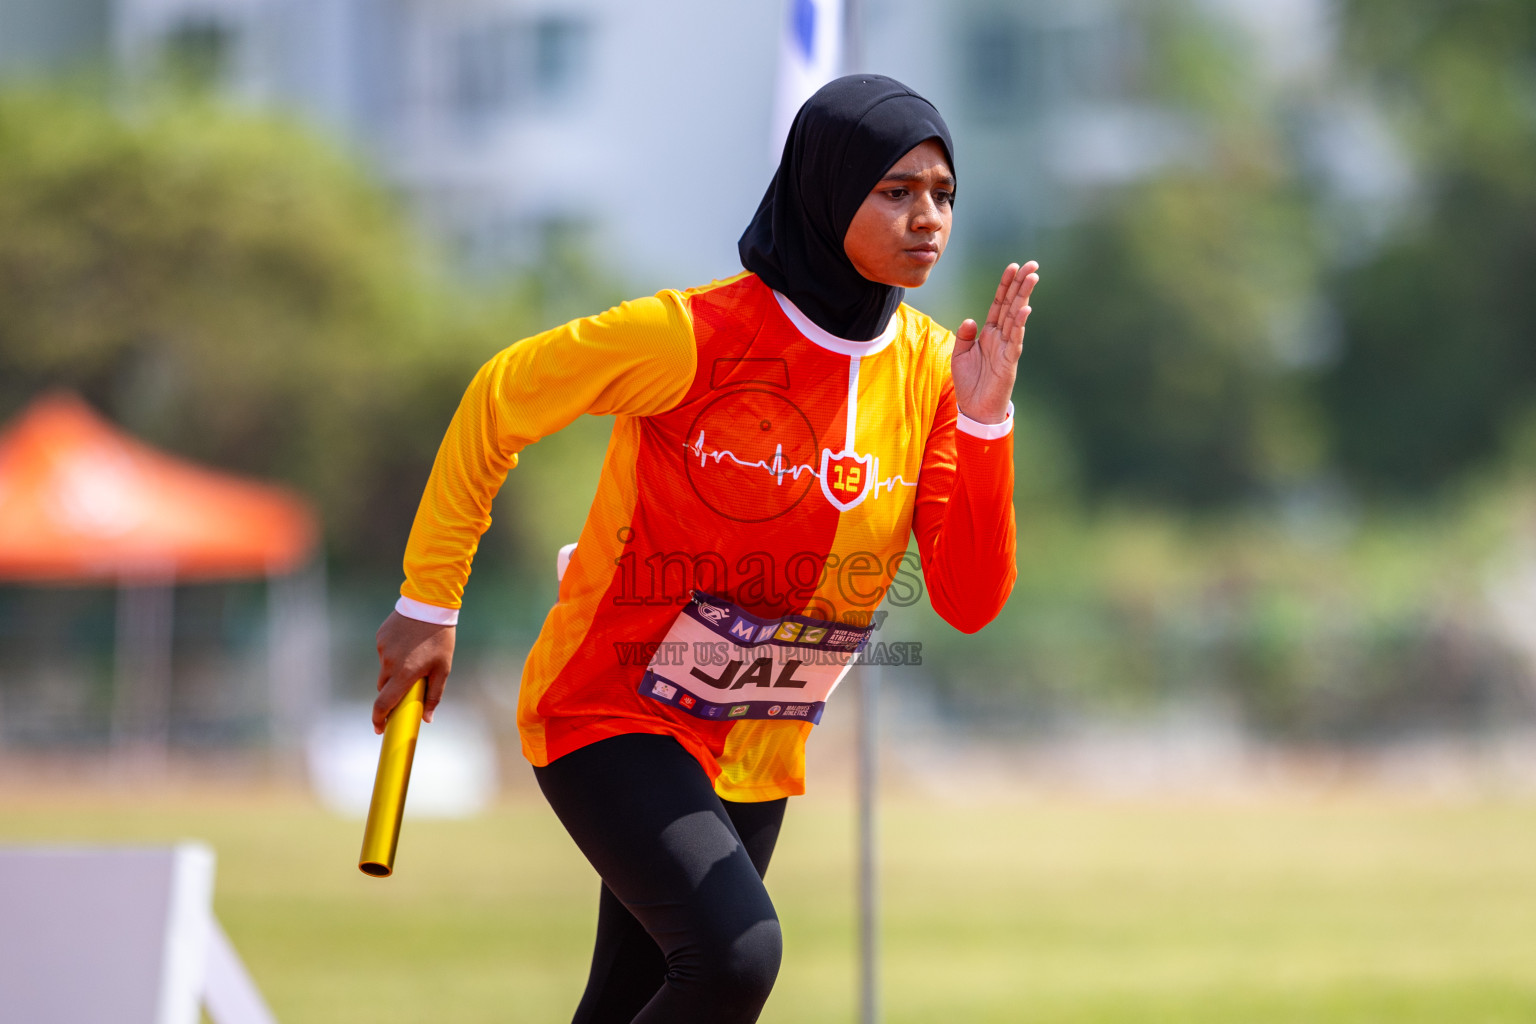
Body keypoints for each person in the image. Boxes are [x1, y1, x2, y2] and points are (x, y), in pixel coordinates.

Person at [371, 74, 1038, 1024]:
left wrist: (983, 422)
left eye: (942, 194)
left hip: (757, 744)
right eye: (895, 191)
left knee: (635, 1000)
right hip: (612, 711)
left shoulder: (938, 369)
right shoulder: (694, 335)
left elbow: (970, 599)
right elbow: (500, 396)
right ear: (825, 188)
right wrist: (428, 604)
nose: (927, 217)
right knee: (734, 958)